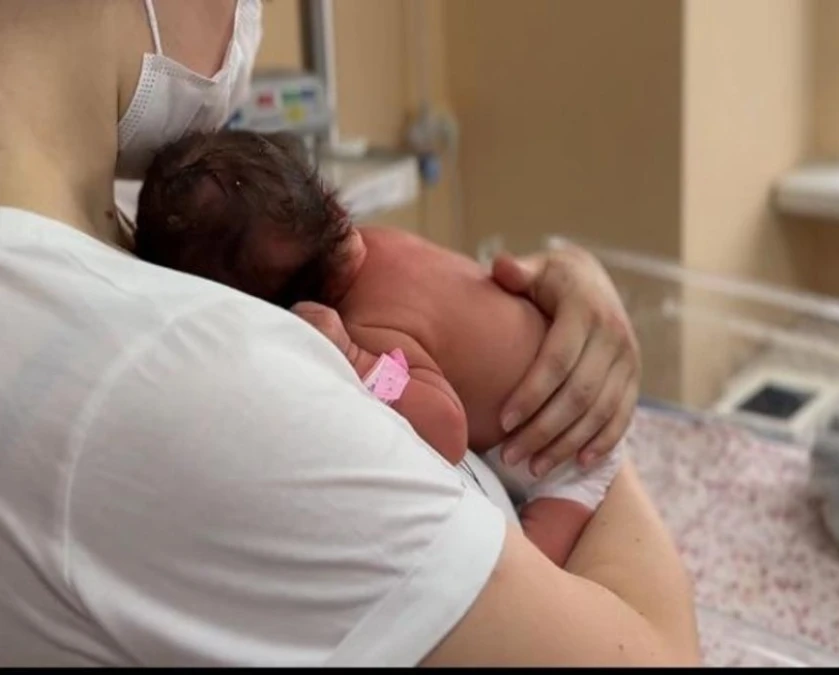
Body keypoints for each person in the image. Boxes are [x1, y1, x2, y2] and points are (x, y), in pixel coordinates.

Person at [0, 0, 699, 667]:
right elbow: (445, 418)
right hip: (578, 475)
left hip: (566, 441)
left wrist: (561, 331)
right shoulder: (190, 369)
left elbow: (440, 399)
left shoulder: (118, 242)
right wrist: (576, 375)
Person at [134, 128, 627, 566]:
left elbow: (446, 425)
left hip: (568, 453)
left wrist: (358, 362)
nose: (343, 230)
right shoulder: (381, 240)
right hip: (563, 382)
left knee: (529, 579)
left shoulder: (370, 326)